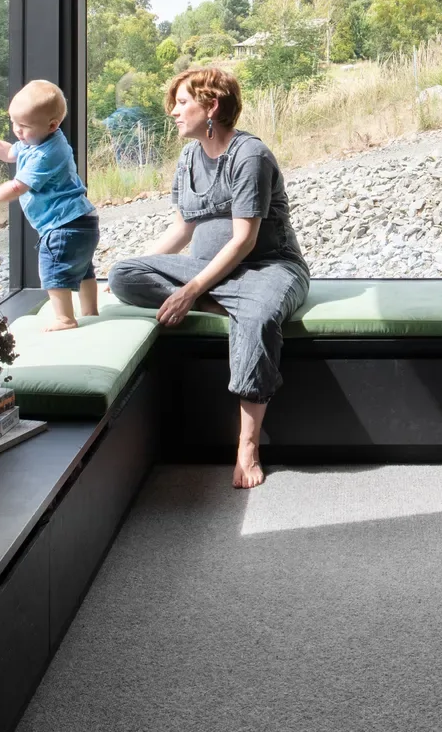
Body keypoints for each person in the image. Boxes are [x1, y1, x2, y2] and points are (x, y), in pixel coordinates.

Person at [106, 66, 310, 489]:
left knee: (257, 317)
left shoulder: (250, 156)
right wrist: (147, 267)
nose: (174, 112)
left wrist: (191, 291)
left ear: (212, 106)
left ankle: (248, 446)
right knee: (123, 273)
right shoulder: (188, 158)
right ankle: (226, 304)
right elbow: (182, 230)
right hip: (209, 274)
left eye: (182, 103)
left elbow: (244, 241)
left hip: (267, 268)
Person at [0, 79, 101, 332]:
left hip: (62, 224)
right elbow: (9, 152)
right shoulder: (38, 141)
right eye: (14, 123)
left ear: (52, 125)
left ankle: (65, 318)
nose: (17, 131)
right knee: (83, 269)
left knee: (53, 270)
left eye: (24, 126)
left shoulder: (45, 154)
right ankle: (90, 311)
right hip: (82, 220)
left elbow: (17, 187)